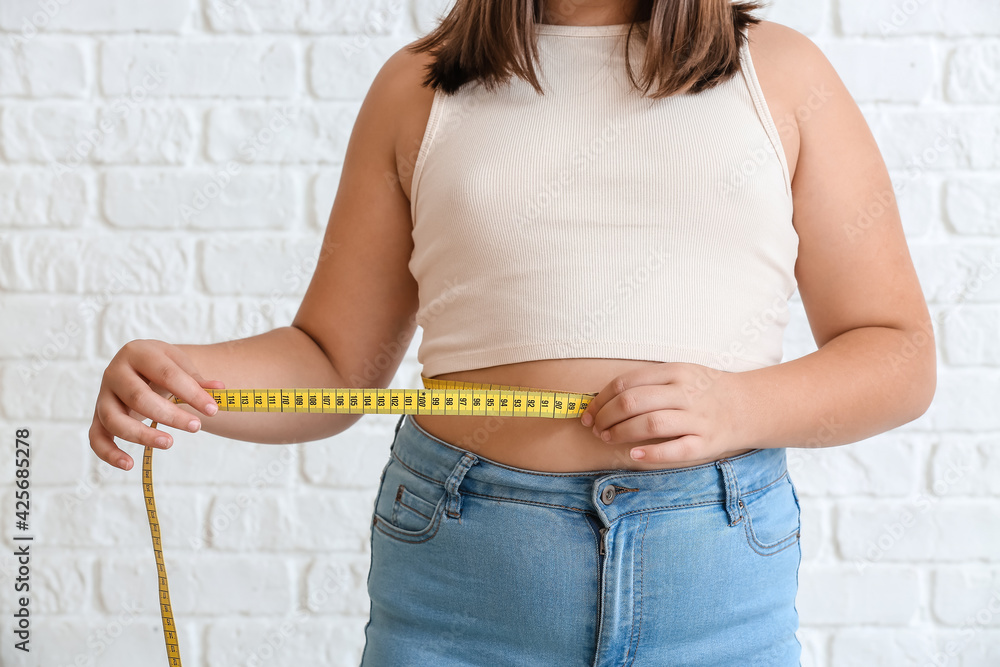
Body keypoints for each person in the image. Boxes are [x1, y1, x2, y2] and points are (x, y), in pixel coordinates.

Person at [90, 0, 936, 664]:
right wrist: (182, 373)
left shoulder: (780, 76)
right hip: (462, 576)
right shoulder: (418, 87)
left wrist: (740, 406)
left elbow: (897, 353)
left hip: (711, 577)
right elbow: (331, 361)